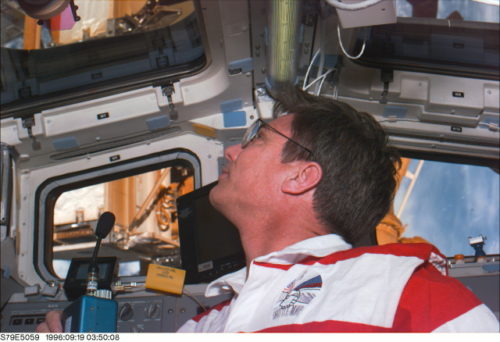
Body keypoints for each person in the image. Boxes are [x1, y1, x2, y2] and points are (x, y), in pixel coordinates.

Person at [37, 86, 499, 333]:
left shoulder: (408, 296)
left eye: (257, 138)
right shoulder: (206, 322)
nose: (232, 151)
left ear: (301, 177)